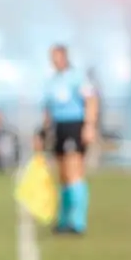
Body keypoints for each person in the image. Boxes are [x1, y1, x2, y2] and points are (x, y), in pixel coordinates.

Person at [42, 44, 98, 234]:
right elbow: (48, 108)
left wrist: (89, 126)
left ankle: (77, 221)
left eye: (57, 56)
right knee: (63, 175)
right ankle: (64, 219)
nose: (54, 61)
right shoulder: (52, 81)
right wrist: (44, 131)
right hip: (59, 127)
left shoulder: (77, 77)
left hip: (75, 125)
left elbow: (91, 100)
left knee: (74, 171)